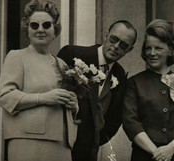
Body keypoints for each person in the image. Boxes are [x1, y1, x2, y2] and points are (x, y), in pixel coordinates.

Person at [0, 0, 78, 161]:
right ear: (27, 30)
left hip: (61, 143)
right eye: (34, 25)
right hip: (28, 142)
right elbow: (5, 96)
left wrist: (74, 104)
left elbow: (65, 104)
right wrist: (44, 98)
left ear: (55, 30)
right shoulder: (16, 57)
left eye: (46, 25)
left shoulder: (61, 64)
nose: (40, 30)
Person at [58, 20, 137, 161]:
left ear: (129, 49)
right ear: (106, 35)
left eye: (124, 45)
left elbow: (114, 120)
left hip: (87, 153)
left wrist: (92, 141)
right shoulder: (73, 54)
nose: (116, 47)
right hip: (59, 145)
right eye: (114, 39)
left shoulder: (120, 75)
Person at [122, 19, 174, 161]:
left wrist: (171, 148)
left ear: (171, 50)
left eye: (158, 48)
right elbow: (131, 122)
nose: (152, 53)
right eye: (148, 48)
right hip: (144, 156)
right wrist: (158, 153)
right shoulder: (134, 83)